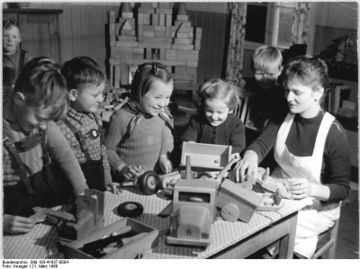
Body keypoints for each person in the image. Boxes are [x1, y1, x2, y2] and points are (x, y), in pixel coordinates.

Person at [238, 56, 351, 258]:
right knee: (243, 219)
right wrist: (250, 156)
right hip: (278, 190)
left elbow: (342, 189)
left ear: (317, 93)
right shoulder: (285, 114)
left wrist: (312, 189)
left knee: (267, 236)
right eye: (287, 90)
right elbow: (262, 144)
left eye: (297, 92)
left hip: (316, 205)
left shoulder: (334, 134)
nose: (289, 98)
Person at [3, 57, 89, 234]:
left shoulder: (41, 117)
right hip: (10, 214)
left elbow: (66, 157)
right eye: (41, 119)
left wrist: (83, 197)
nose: (44, 127)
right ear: (19, 99)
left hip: (42, 202)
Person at [57, 56, 119, 193]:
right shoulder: (61, 127)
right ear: (73, 94)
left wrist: (108, 182)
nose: (101, 99)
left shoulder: (95, 117)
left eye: (102, 93)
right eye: (95, 95)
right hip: (74, 191)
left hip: (99, 184)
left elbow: (103, 153)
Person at [105, 62, 174, 181]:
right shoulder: (121, 117)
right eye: (157, 97)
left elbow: (167, 138)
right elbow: (107, 149)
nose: (163, 104)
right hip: (128, 181)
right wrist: (122, 167)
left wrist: (163, 157)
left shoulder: (161, 115)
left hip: (154, 179)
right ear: (138, 93)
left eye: (167, 97)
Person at [181, 78, 246, 155]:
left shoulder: (236, 124)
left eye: (220, 112)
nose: (214, 117)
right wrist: (189, 145)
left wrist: (228, 153)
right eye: (209, 111)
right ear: (203, 107)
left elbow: (239, 146)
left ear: (230, 109)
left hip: (226, 162)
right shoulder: (196, 120)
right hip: (200, 159)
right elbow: (187, 138)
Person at [244, 45, 288, 132]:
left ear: (280, 71)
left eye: (271, 74)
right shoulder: (246, 86)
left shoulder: (282, 93)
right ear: (252, 70)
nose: (265, 79)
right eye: (260, 74)